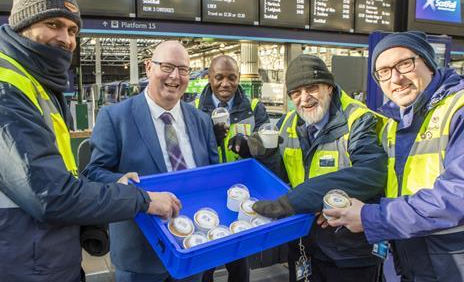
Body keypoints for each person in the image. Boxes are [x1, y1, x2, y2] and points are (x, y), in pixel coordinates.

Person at [0, 0, 180, 282]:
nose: (66, 39)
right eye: (53, 24)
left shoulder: (38, 84)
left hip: (46, 257)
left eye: (73, 30)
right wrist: (141, 199)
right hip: (18, 266)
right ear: (23, 23)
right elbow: (51, 195)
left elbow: (57, 176)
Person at [324, 31, 464, 281]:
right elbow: (392, 184)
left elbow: (456, 196)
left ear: (429, 64)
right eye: (384, 72)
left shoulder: (458, 109)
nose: (396, 78)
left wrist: (371, 217)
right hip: (411, 259)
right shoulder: (391, 124)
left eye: (405, 64)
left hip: (452, 262)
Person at [82, 40, 219, 282]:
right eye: (166, 67)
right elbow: (93, 172)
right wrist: (121, 182)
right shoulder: (115, 117)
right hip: (140, 255)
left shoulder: (201, 120)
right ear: (148, 68)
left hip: (192, 246)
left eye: (183, 69)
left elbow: (211, 176)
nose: (175, 77)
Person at [252, 55, 388, 282]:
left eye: (312, 88)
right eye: (296, 92)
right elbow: (282, 176)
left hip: (348, 251)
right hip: (303, 244)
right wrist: (263, 155)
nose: (304, 98)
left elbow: (371, 174)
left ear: (329, 88)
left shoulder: (359, 120)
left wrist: (306, 199)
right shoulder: (287, 125)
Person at [196, 55, 270, 282]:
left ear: (239, 78)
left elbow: (268, 148)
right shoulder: (194, 110)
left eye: (232, 77)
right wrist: (210, 139)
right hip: (207, 193)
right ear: (209, 78)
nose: (225, 84)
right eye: (219, 77)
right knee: (204, 260)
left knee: (239, 260)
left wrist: (251, 147)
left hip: (240, 194)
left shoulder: (255, 108)